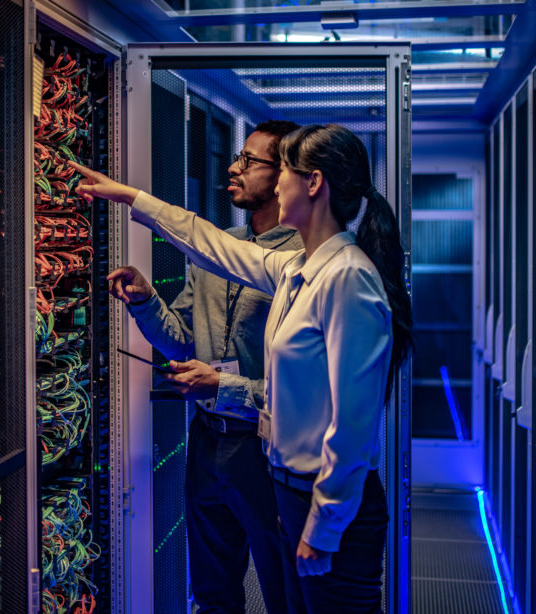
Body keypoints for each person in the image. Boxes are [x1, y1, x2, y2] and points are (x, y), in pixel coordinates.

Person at [70, 123, 413, 614]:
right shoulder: (298, 270)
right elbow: (208, 242)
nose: (275, 186)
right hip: (291, 490)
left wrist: (324, 527)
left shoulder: (348, 279)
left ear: (313, 183)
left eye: (284, 173)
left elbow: (355, 424)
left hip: (326, 503)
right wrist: (129, 197)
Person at [106, 121, 304, 614]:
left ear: (284, 176)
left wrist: (224, 384)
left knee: (284, 591)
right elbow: (181, 343)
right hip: (208, 442)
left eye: (250, 160)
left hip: (266, 448)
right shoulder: (214, 253)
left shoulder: (304, 262)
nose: (233, 169)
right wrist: (146, 300)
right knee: (212, 594)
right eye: (237, 157)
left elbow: (306, 392)